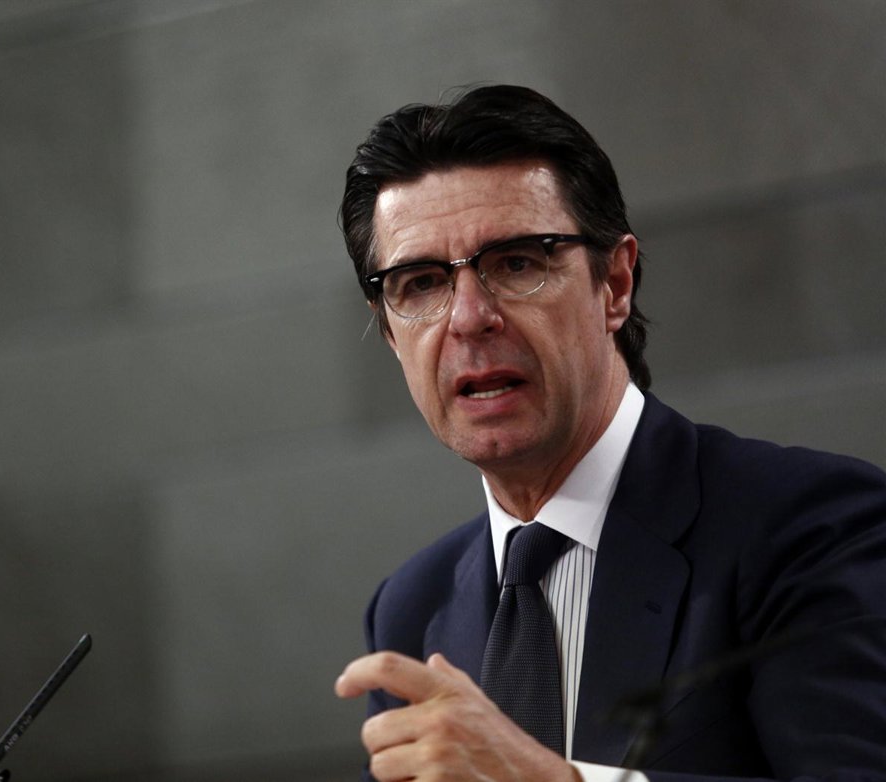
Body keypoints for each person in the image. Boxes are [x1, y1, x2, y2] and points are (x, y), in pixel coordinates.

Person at [332, 84, 886, 782]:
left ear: (615, 284)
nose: (469, 318)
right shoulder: (412, 607)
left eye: (517, 263)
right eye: (421, 283)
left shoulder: (813, 525)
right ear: (390, 333)